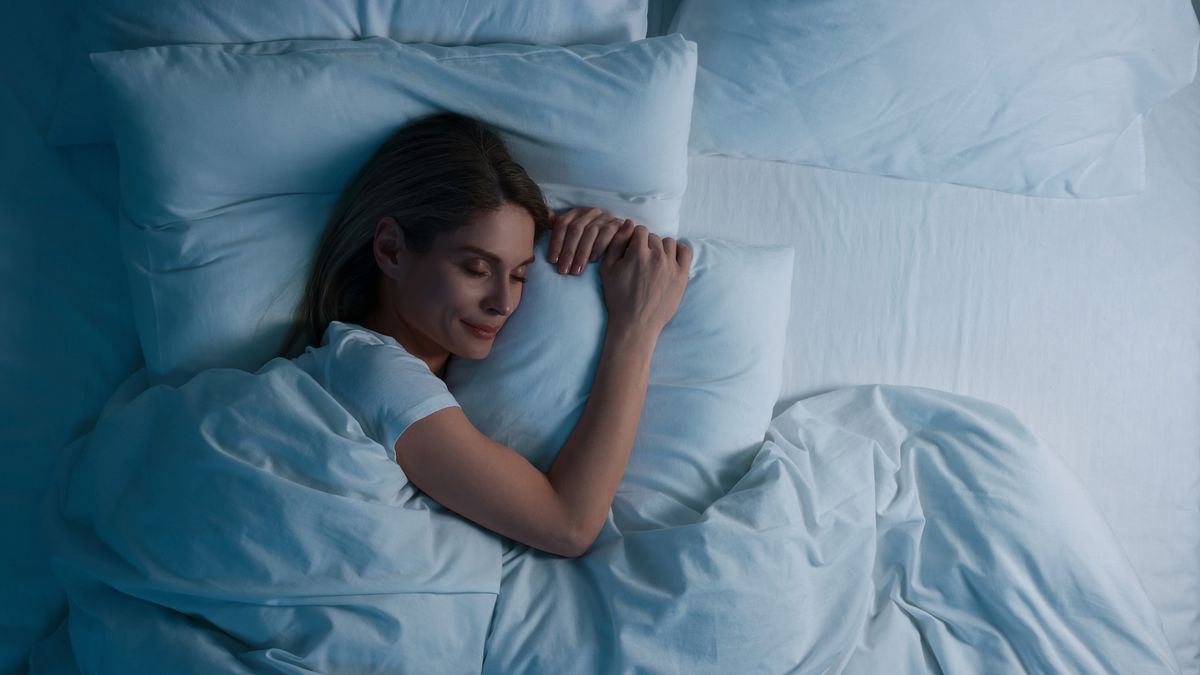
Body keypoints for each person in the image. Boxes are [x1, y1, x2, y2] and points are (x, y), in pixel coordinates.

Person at [279, 111, 691, 557]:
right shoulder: (374, 371)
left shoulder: (397, 382)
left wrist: (599, 258)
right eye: (476, 269)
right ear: (391, 250)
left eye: (518, 275)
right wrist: (636, 326)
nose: (504, 303)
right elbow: (567, 526)